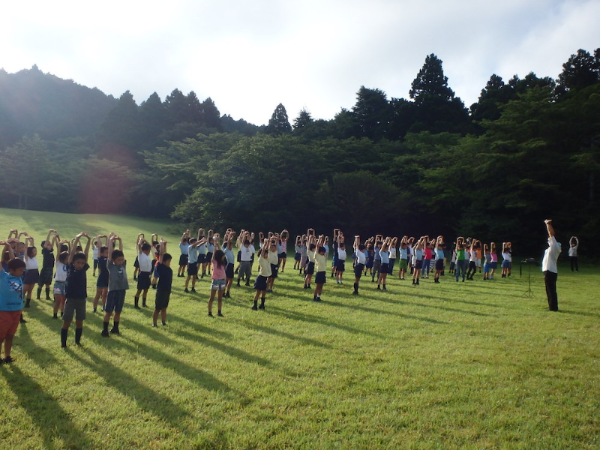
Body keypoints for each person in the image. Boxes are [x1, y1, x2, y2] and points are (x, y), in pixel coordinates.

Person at [61, 232, 91, 348]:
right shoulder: (70, 268)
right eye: (78, 263)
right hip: (70, 299)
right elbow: (72, 252)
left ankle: (77, 341)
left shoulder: (83, 270)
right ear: (73, 262)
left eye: (82, 263)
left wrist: (88, 240)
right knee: (67, 322)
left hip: (81, 300)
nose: (80, 265)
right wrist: (78, 238)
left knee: (79, 322)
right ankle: (63, 344)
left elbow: (86, 253)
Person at [0, 239, 26, 364]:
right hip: (4, 311)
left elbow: (13, 260)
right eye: (20, 270)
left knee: (10, 335)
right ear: (12, 270)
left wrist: (9, 246)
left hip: (17, 311)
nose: (22, 272)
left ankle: (7, 356)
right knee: (0, 337)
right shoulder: (3, 276)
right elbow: (10, 264)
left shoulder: (19, 276)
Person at [101, 234, 128, 337]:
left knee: (118, 311)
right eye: (118, 260)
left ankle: (115, 328)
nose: (121, 261)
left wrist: (120, 241)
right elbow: (110, 254)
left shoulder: (123, 265)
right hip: (112, 291)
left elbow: (121, 251)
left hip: (122, 290)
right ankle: (105, 330)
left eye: (122, 260)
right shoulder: (111, 266)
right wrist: (111, 240)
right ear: (113, 260)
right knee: (109, 312)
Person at [152, 239, 172, 327]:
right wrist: (161, 244)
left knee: (164, 308)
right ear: (163, 262)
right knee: (157, 309)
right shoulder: (160, 267)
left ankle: (163, 322)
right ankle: (154, 323)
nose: (169, 263)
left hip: (167, 291)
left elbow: (164, 255)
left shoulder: (169, 269)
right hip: (161, 291)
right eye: (168, 261)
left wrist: (164, 244)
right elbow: (161, 255)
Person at [542, 220, 561, 312]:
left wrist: (548, 224)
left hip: (550, 271)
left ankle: (553, 308)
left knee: (550, 290)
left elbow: (551, 233)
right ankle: (552, 306)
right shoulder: (553, 248)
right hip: (549, 271)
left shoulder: (555, 247)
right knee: (550, 290)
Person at [208, 234, 227, 317]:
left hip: (222, 280)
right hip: (215, 281)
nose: (223, 257)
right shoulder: (214, 262)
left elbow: (221, 252)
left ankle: (219, 312)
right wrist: (215, 243)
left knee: (220, 298)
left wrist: (217, 243)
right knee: (212, 298)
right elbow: (214, 253)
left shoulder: (223, 263)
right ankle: (209, 312)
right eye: (222, 256)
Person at [252, 239, 272, 311]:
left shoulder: (267, 259)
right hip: (260, 278)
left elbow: (267, 250)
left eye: (267, 253)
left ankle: (262, 305)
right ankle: (254, 305)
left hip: (266, 278)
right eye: (265, 254)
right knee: (258, 292)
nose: (267, 254)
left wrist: (268, 243)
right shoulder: (261, 259)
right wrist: (264, 244)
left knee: (264, 293)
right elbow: (263, 251)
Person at [52, 237, 69, 319]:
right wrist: (59, 244)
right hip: (58, 284)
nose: (68, 259)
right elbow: (58, 254)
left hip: (66, 284)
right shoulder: (58, 263)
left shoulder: (69, 265)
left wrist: (69, 244)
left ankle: (62, 313)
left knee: (64, 300)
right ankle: (55, 314)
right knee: (58, 299)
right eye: (67, 258)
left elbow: (71, 253)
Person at [133, 237, 153, 308]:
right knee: (139, 290)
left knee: (146, 290)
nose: (150, 251)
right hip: (143, 274)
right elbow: (139, 245)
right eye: (149, 250)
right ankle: (136, 304)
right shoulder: (141, 255)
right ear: (146, 250)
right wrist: (141, 241)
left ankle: (144, 303)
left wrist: (145, 240)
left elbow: (150, 246)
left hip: (148, 274)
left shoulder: (147, 255)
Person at [38, 229, 57, 301]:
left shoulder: (50, 251)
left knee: (48, 283)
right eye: (48, 244)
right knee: (41, 283)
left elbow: (52, 243)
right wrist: (49, 233)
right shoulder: (45, 251)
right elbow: (47, 243)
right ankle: (38, 296)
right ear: (44, 246)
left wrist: (54, 237)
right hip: (45, 268)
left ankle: (47, 296)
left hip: (50, 269)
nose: (50, 245)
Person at [91, 236, 109, 313]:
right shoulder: (100, 258)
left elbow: (108, 246)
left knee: (105, 295)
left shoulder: (109, 259)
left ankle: (104, 307)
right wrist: (98, 238)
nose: (108, 254)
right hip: (101, 278)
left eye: (108, 253)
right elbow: (99, 247)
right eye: (106, 253)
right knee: (98, 295)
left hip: (107, 279)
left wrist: (107, 238)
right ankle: (94, 308)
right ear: (101, 253)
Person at [23, 235, 39, 308]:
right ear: (30, 252)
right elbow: (26, 249)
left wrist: (31, 239)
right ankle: (21, 301)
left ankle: (27, 303)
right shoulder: (26, 258)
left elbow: (32, 246)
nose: (35, 252)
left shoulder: (34, 258)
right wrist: (26, 240)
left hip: (35, 273)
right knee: (25, 290)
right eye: (34, 251)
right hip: (29, 273)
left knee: (30, 290)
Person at [312, 236, 327, 302]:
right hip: (319, 272)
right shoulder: (317, 255)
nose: (323, 253)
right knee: (317, 286)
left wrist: (321, 241)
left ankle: (318, 297)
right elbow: (317, 246)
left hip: (323, 272)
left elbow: (320, 246)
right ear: (319, 252)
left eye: (324, 252)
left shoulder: (323, 256)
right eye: (322, 252)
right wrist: (320, 239)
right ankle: (314, 297)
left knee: (321, 286)